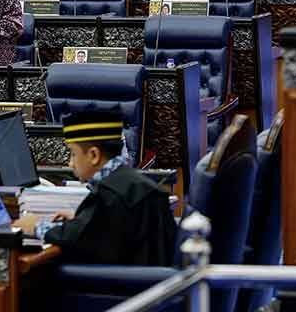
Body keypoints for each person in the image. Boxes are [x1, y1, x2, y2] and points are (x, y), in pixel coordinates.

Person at [11, 109, 176, 265]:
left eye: (73, 154)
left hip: (121, 289)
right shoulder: (130, 182)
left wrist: (36, 226)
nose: (70, 163)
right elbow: (101, 230)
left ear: (94, 155)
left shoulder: (111, 194)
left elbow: (78, 239)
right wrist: (81, 220)